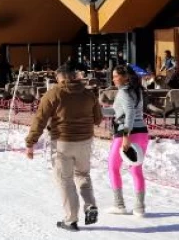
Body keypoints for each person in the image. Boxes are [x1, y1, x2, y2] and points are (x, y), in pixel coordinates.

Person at [25, 65, 103, 231]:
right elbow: (98, 119)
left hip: (63, 142)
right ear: (74, 76)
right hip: (85, 141)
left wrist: (30, 143)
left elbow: (40, 119)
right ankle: (90, 205)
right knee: (83, 174)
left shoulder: (54, 94)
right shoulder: (89, 93)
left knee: (65, 180)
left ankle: (71, 219)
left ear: (60, 78)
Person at [109, 65, 149, 217]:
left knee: (113, 167)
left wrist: (126, 135)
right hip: (142, 133)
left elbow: (130, 113)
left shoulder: (123, 92)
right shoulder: (137, 90)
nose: (113, 79)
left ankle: (119, 204)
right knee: (136, 169)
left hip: (126, 133)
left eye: (116, 76)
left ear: (125, 77)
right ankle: (140, 207)